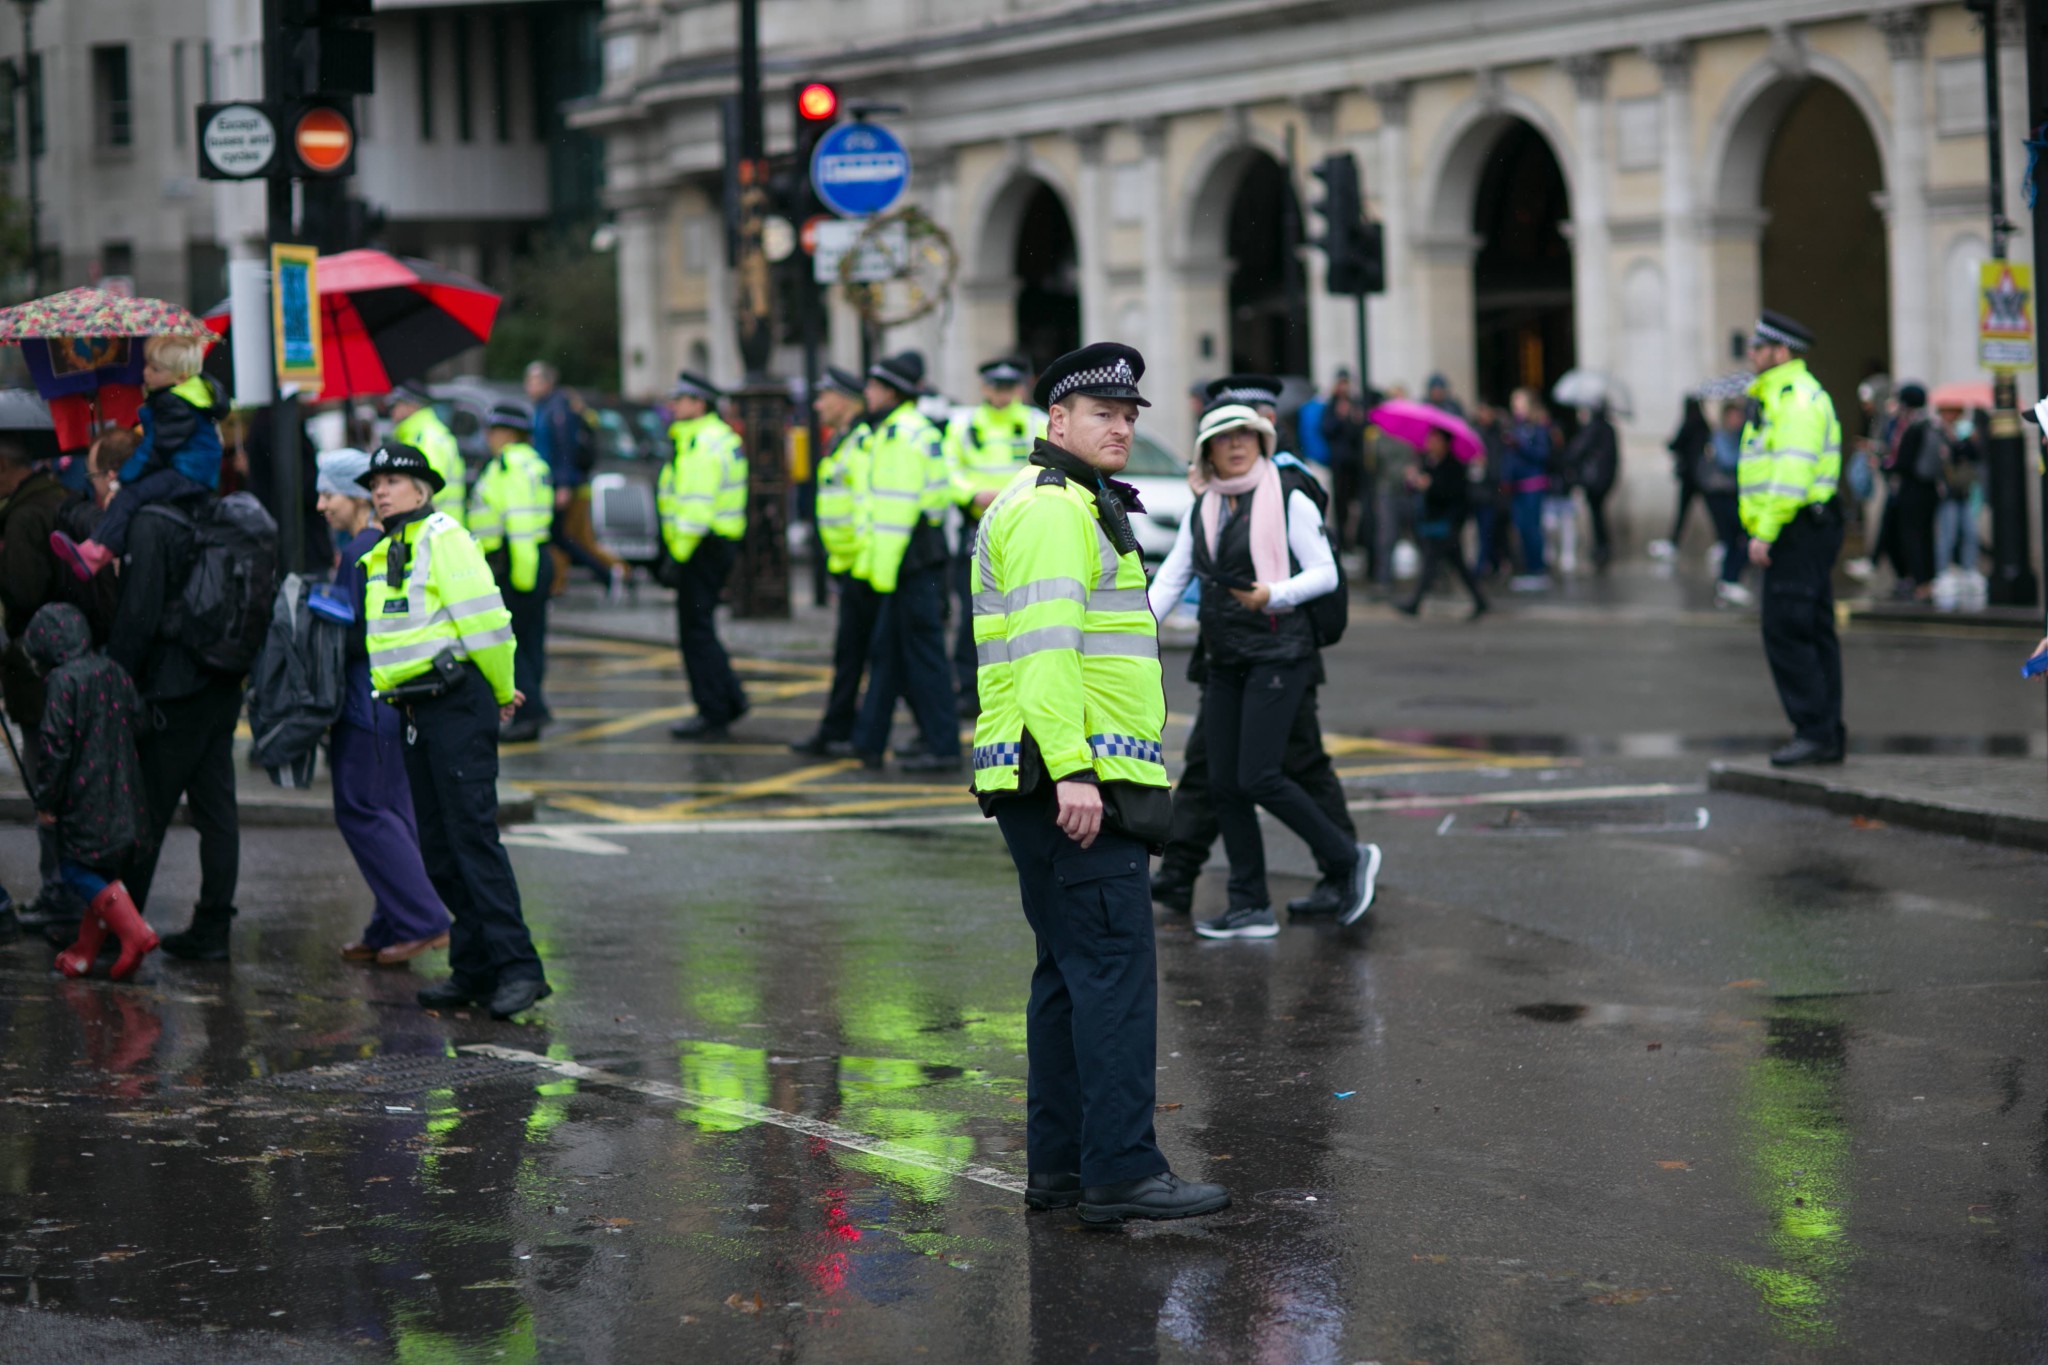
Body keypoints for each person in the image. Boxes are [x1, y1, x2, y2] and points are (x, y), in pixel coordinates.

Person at [971, 340, 1229, 1225]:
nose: (1120, 426)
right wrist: (1075, 771)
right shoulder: (1052, 511)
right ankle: (1121, 1167)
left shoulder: (1065, 501)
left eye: (1128, 415)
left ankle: (1066, 1171)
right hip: (1072, 779)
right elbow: (1047, 653)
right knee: (1113, 970)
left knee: (1068, 976)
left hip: (1044, 776)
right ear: (1057, 422)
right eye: (1103, 414)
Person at [1149, 402, 1377, 940]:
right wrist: (1127, 633)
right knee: (1225, 784)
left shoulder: (1288, 496)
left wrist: (1275, 594)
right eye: (1224, 439)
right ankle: (1250, 904)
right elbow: (1170, 579)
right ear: (1208, 452)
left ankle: (1348, 857)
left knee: (1259, 776)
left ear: (1261, 440)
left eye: (1245, 436)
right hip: (1226, 657)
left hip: (1280, 653)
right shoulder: (1203, 508)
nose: (1236, 445)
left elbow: (1325, 573)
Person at [355, 442, 549, 1019]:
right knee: (439, 850)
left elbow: (489, 626)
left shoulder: (446, 538)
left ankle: (520, 969)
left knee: (473, 842)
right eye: (376, 483)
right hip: (413, 712)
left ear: (423, 489)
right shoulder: (387, 549)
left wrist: (498, 690)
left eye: (393, 481)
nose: (381, 490)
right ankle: (474, 968)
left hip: (456, 705)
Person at [103, 452, 244, 961]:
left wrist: (115, 677)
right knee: (216, 810)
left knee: (148, 813)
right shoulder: (210, 510)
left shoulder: (151, 523)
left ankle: (124, 928)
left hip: (174, 688)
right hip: (222, 681)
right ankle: (213, 928)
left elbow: (138, 614)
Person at [313, 449, 452, 965]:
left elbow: (354, 636)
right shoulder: (390, 544)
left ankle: (422, 919)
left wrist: (317, 613)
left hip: (364, 704)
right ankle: (390, 921)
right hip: (395, 703)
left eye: (330, 494)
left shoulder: (360, 551)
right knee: (392, 810)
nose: (322, 505)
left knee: (363, 809)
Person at [28, 604, 156, 980]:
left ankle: (134, 931)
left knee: (73, 868)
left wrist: (46, 801)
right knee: (100, 870)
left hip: (83, 797)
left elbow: (54, 747)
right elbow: (140, 721)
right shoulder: (113, 670)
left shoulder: (62, 681)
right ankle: (85, 951)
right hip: (123, 791)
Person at [1740, 310, 1845, 767]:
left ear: (1779, 352)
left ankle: (1814, 732)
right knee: (1813, 630)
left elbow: (1791, 474)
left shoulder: (1794, 399)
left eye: (1758, 348)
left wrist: (1764, 533)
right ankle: (1825, 733)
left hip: (1796, 528)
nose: (1751, 355)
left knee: (1789, 632)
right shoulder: (1779, 397)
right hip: (1803, 526)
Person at [852, 352, 961, 773]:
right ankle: (870, 741)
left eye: (873, 387)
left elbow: (896, 514)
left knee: (923, 654)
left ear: (890, 392)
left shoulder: (900, 434)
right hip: (916, 556)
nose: (867, 394)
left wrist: (877, 575)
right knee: (890, 651)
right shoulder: (906, 429)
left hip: (909, 558)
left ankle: (943, 746)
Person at [51, 335, 227, 580]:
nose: (146, 373)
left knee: (130, 495)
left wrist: (125, 477)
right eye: (146, 366)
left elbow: (155, 450)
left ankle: (96, 552)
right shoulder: (182, 397)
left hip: (189, 474)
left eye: (155, 369)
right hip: (189, 471)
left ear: (181, 377)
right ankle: (97, 549)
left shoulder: (174, 404)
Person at [944, 356, 1046, 712]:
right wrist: (971, 494)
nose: (1003, 394)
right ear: (985, 387)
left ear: (1020, 387)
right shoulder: (965, 425)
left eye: (1010, 387)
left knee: (1023, 612)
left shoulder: (1036, 422)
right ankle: (972, 694)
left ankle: (1021, 689)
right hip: (977, 527)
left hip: (1024, 528)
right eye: (996, 387)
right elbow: (950, 469)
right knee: (975, 614)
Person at [657, 372, 751, 741]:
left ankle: (713, 712)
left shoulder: (700, 442)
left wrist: (676, 559)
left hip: (700, 548)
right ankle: (729, 699)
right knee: (703, 629)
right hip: (713, 545)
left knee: (695, 634)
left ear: (699, 404)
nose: (673, 406)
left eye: (680, 400)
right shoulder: (715, 438)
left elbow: (696, 510)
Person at [791, 366, 878, 757]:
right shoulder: (842, 440)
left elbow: (865, 507)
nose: (817, 404)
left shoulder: (861, 442)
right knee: (859, 654)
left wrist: (859, 563)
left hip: (862, 566)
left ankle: (849, 732)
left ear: (845, 401)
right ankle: (845, 729)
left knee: (864, 654)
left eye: (824, 396)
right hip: (848, 565)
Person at [472, 402, 555, 743]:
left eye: (492, 431)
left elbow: (519, 524)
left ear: (507, 433)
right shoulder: (533, 463)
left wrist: (522, 578)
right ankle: (529, 714)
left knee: (511, 643)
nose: (488, 438)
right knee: (531, 642)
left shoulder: (510, 465)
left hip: (516, 561)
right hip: (533, 558)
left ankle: (530, 711)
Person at [527, 361, 625, 596]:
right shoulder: (544, 407)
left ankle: (609, 573)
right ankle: (606, 575)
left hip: (562, 485)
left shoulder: (557, 409)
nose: (528, 386)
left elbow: (563, 449)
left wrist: (563, 485)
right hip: (552, 483)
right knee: (563, 538)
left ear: (548, 383)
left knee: (563, 537)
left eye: (534, 380)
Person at [1396, 427, 1487, 618]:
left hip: (1447, 523)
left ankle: (1415, 602)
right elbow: (1417, 489)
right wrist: (1414, 481)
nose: (1430, 444)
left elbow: (1453, 494)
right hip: (1433, 522)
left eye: (1435, 440)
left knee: (1431, 563)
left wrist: (1431, 486)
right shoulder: (1429, 463)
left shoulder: (1453, 466)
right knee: (1457, 564)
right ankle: (1480, 600)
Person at [1885, 383, 1942, 600]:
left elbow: (1903, 463)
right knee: (1926, 537)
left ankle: (1919, 582)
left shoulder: (1912, 428)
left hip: (1912, 491)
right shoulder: (1931, 424)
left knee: (1913, 538)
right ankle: (1927, 582)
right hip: (1929, 490)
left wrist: (1884, 464)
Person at [388, 383, 467, 526]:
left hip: (436, 530)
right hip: (435, 527)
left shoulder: (428, 438)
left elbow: (429, 488)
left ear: (412, 406)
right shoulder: (415, 436)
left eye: (395, 405)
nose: (391, 412)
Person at [1700, 400, 1751, 606]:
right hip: (1720, 493)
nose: (1737, 420)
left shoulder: (1740, 436)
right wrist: (1747, 456)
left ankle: (1728, 580)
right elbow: (1728, 461)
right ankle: (1728, 580)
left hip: (1733, 493)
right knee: (1733, 537)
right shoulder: (1720, 436)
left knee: (1735, 538)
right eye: (1734, 415)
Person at [1503, 388, 1553, 591]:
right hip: (1517, 486)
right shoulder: (1514, 428)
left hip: (1533, 485)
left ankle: (1537, 568)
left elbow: (1542, 454)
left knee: (1532, 529)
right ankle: (1527, 567)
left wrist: (1521, 445)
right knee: (1521, 528)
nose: (1517, 408)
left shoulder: (1538, 428)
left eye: (1520, 404)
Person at [1650, 396, 1710, 562]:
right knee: (1708, 510)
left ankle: (1674, 542)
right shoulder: (1703, 424)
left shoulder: (1689, 423)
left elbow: (1676, 443)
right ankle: (1722, 541)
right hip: (1700, 474)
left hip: (1690, 475)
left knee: (1684, 512)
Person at [1565, 402, 1619, 572]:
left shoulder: (1593, 428)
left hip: (1594, 479)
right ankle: (1603, 545)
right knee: (1599, 513)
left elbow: (1577, 451)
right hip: (1604, 479)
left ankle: (1601, 547)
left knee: (1597, 514)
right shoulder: (1609, 429)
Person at [1320, 373, 1369, 556]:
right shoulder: (1331, 406)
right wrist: (1340, 418)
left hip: (1355, 464)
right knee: (1341, 507)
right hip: (1339, 464)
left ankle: (1356, 542)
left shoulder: (1355, 404)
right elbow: (1326, 430)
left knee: (1358, 506)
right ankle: (1343, 545)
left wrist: (1355, 420)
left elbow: (1361, 433)